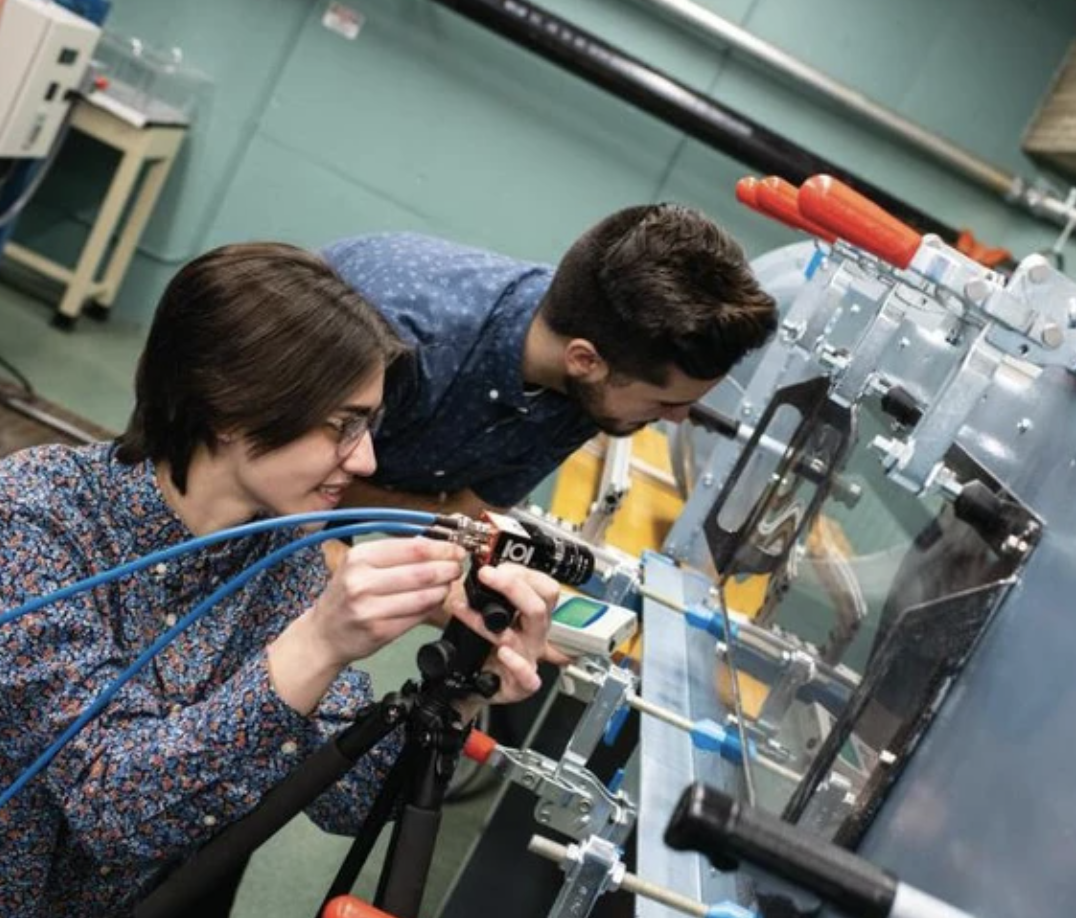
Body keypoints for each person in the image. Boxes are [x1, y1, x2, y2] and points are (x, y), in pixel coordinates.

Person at [0, 243, 556, 917]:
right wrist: (317, 644)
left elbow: (348, 799)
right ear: (231, 408)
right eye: (344, 426)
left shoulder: (284, 550)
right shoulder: (36, 521)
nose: (369, 458)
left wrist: (467, 680)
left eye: (372, 425)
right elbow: (113, 808)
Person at [324, 203, 779, 516]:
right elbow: (289, 477)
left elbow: (469, 517)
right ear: (584, 360)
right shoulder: (406, 337)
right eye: (663, 403)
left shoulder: (596, 376)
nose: (677, 419)